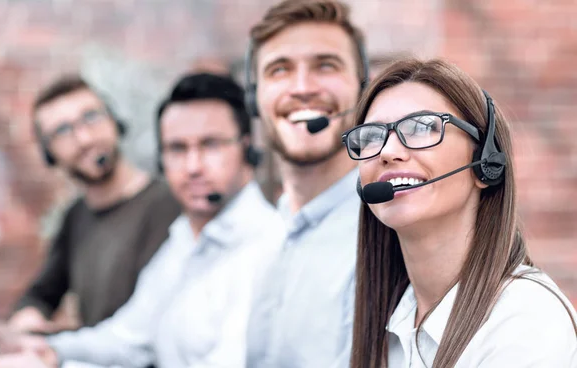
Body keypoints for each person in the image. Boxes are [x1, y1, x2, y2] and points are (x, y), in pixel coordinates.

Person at [0, 72, 283, 368]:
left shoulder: (268, 249)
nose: (193, 166)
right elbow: (127, 338)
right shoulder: (184, 240)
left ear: (246, 146)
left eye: (211, 145)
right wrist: (48, 352)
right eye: (177, 149)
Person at [343, 58, 577, 367]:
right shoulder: (390, 321)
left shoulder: (525, 319)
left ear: (485, 163)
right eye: (372, 135)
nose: (387, 151)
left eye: (422, 127)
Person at [2, 76, 181, 334]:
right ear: (49, 153)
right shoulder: (75, 217)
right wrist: (28, 318)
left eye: (91, 117)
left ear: (114, 121)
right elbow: (41, 293)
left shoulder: (169, 204)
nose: (84, 138)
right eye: (62, 130)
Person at [244, 0, 369, 366]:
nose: (302, 88)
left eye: (325, 65)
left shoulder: (389, 233)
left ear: (362, 89)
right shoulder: (266, 232)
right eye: (279, 69)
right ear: (255, 99)